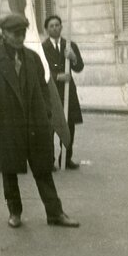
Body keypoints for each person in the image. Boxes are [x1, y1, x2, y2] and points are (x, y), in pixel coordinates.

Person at [0, 14, 79, 228]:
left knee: (43, 169)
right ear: (4, 34)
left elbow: (43, 87)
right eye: (15, 33)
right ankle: (15, 212)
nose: (20, 37)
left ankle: (55, 213)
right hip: (7, 123)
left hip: (35, 123)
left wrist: (47, 113)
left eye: (23, 33)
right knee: (9, 170)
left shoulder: (32, 57)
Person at [42, 15, 84, 170]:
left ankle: (65, 159)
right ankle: (49, 160)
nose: (55, 28)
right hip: (51, 92)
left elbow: (79, 67)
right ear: (46, 29)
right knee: (50, 128)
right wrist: (57, 76)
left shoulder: (70, 45)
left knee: (69, 126)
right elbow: (40, 70)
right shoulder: (43, 48)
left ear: (61, 27)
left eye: (57, 25)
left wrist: (73, 58)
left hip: (68, 92)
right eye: (51, 26)